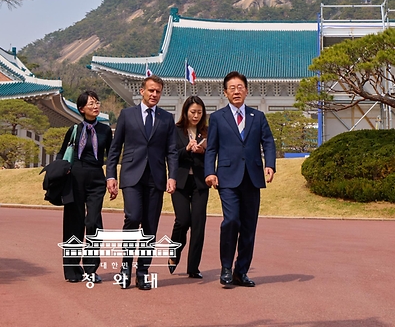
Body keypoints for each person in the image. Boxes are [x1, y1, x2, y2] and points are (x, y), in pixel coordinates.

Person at [204, 71, 277, 288]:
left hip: (252, 178)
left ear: (246, 90)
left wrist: (270, 164)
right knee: (231, 221)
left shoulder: (258, 116)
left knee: (248, 227)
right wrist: (210, 172)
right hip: (227, 178)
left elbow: (268, 142)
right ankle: (226, 267)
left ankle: (241, 271)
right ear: (225, 93)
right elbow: (211, 148)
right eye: (232, 88)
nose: (236, 91)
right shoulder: (217, 118)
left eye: (240, 87)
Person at [106, 76, 177, 290]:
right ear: (142, 91)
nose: (154, 94)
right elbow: (115, 148)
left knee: (150, 226)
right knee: (133, 217)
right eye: (151, 90)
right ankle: (125, 267)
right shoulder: (127, 115)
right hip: (131, 175)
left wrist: (172, 176)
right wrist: (111, 175)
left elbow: (172, 151)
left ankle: (143, 271)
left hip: (156, 177)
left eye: (158, 91)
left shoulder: (167, 118)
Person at [57, 91, 113, 284]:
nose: (95, 106)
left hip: (96, 178)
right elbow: (61, 154)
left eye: (97, 102)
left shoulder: (105, 130)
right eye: (91, 104)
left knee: (93, 222)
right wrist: (60, 172)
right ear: (81, 109)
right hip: (75, 178)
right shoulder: (74, 129)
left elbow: (112, 156)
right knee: (73, 223)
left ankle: (91, 269)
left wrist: (111, 178)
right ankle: (72, 270)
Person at [169, 96, 210, 279]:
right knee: (183, 220)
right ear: (185, 112)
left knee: (198, 224)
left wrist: (203, 150)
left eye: (199, 112)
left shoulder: (207, 131)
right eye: (193, 112)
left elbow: (213, 153)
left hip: (200, 182)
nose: (196, 116)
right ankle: (174, 251)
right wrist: (186, 149)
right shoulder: (175, 130)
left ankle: (193, 267)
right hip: (181, 181)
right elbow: (171, 154)